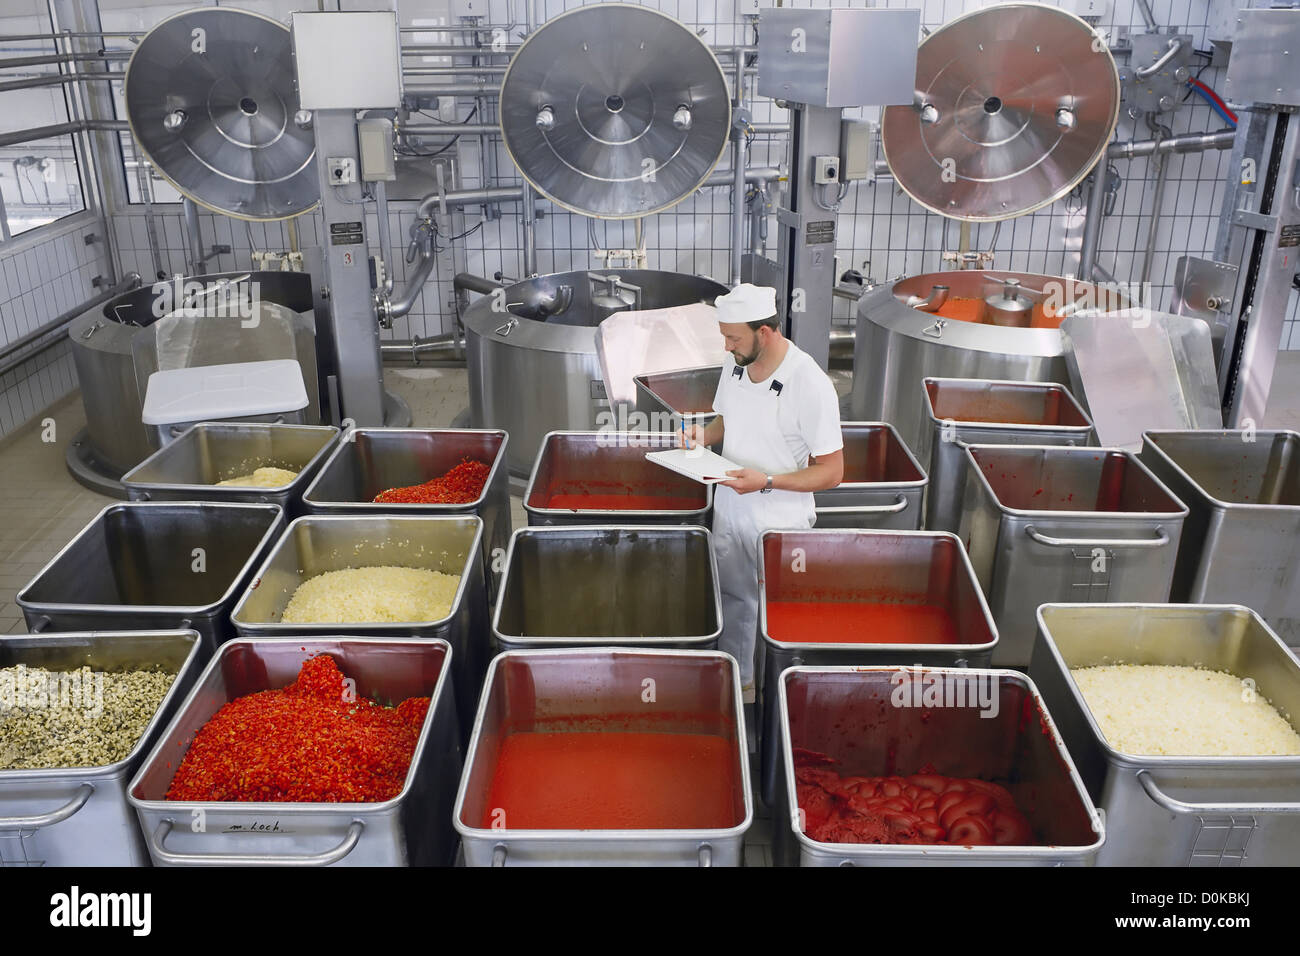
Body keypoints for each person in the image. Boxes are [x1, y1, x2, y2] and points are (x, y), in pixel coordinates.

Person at [682, 283, 843, 696]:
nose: (727, 345)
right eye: (725, 336)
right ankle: (738, 687)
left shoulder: (809, 382)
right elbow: (726, 421)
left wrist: (766, 481)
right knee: (734, 601)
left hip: (779, 519)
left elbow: (831, 472)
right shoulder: (735, 361)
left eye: (733, 337)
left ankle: (774, 696)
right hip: (732, 506)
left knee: (774, 613)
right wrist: (703, 434)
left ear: (765, 332)